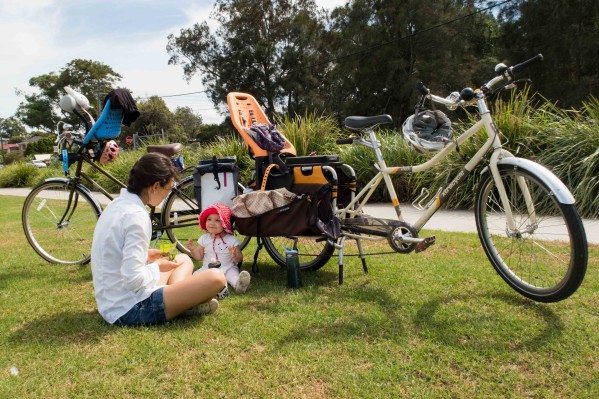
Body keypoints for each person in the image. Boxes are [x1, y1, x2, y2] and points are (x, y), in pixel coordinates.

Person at [90, 152, 226, 326]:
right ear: (155, 187)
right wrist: (156, 267)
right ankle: (185, 302)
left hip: (111, 300)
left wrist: (146, 255)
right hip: (128, 308)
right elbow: (132, 281)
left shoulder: (116, 206)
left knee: (183, 259)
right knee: (216, 277)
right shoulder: (137, 217)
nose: (166, 196)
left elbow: (113, 253)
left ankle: (182, 302)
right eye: (168, 189)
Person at [187, 203, 251, 296]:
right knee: (196, 276)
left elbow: (239, 258)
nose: (212, 222)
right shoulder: (204, 239)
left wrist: (235, 255)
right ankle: (206, 286)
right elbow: (199, 256)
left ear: (225, 224)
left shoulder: (231, 240)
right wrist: (193, 250)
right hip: (208, 269)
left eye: (217, 220)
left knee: (232, 275)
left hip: (228, 267)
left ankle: (238, 284)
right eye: (209, 219)